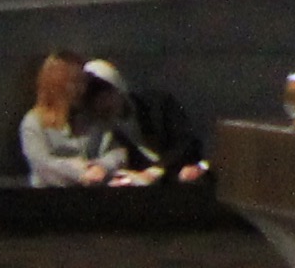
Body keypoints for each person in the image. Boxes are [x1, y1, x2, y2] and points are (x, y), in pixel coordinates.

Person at [19, 53, 161, 188]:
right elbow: (43, 165)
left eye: (83, 81)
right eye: (74, 82)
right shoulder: (34, 123)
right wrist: (81, 172)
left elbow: (117, 152)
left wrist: (102, 166)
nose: (82, 89)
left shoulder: (91, 118)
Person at [76, 60, 208, 187]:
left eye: (106, 94)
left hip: (183, 176)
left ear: (118, 89)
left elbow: (186, 143)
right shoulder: (106, 132)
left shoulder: (158, 105)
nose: (101, 104)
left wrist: (155, 171)